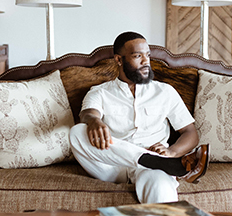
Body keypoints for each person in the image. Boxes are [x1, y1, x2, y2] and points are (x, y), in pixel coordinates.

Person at [69, 32, 209, 204]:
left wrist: (172, 152)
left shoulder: (165, 91)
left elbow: (190, 133)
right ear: (119, 60)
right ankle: (154, 161)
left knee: (160, 185)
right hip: (112, 166)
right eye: (137, 56)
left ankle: (156, 163)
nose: (146, 61)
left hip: (152, 167)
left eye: (147, 55)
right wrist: (94, 121)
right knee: (77, 132)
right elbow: (88, 113)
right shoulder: (100, 92)